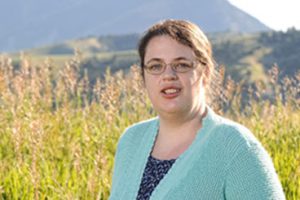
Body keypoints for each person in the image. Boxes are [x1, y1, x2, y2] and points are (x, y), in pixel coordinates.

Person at [109, 19, 285, 200]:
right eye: (156, 66)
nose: (168, 75)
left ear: (205, 73)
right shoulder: (131, 140)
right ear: (143, 76)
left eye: (182, 65)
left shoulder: (236, 147)